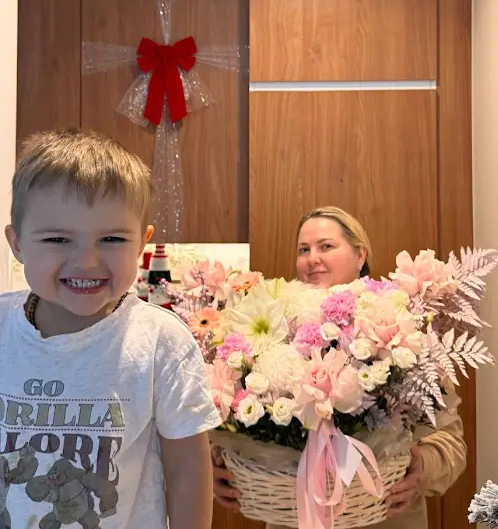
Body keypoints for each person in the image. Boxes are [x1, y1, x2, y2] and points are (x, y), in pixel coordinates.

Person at [0, 129, 220, 528]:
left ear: (142, 244)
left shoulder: (160, 341)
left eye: (112, 239)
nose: (86, 261)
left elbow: (187, 468)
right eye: (58, 239)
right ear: (16, 243)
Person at [212, 206, 467, 529]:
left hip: (384, 517)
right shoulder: (272, 329)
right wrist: (219, 461)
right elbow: (231, 415)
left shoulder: (399, 329)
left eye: (326, 246)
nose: (312, 259)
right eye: (303, 250)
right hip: (294, 518)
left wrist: (423, 468)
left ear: (360, 255)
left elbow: (451, 443)